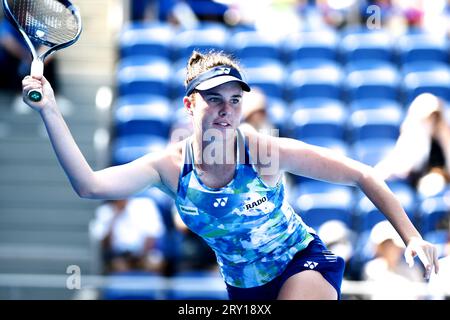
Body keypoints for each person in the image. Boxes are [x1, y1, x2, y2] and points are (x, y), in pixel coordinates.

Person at [21, 50, 439, 300]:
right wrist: (50, 110)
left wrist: (413, 236)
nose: (226, 109)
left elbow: (363, 175)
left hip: (301, 264)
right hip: (242, 289)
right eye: (214, 99)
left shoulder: (262, 151)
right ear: (190, 105)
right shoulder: (169, 168)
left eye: (235, 100)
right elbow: (88, 185)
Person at [375, 93, 450, 197]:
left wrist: (444, 136)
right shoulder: (413, 134)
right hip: (419, 179)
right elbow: (405, 165)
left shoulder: (444, 134)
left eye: (435, 116)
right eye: (430, 116)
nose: (432, 120)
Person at [90, 197, 166, 274]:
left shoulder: (144, 205)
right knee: (118, 265)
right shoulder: (105, 211)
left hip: (143, 255)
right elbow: (104, 243)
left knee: (155, 263)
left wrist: (140, 255)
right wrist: (114, 217)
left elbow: (152, 235)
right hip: (119, 257)